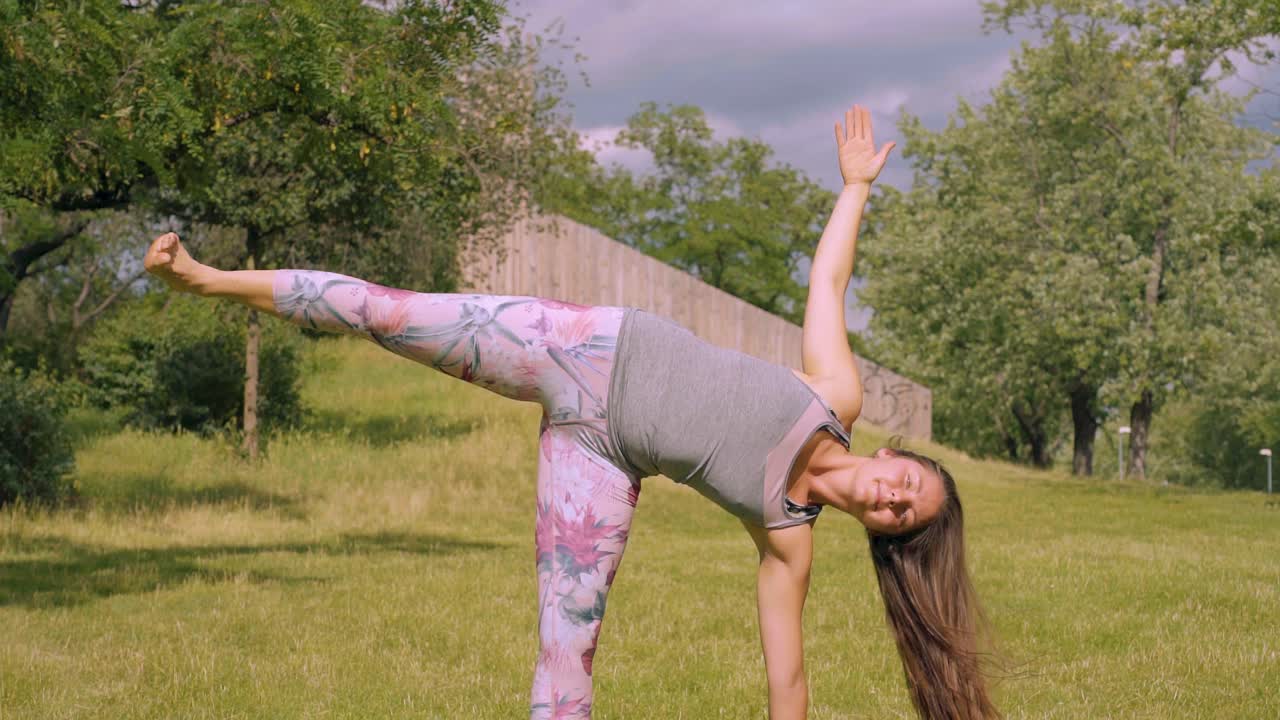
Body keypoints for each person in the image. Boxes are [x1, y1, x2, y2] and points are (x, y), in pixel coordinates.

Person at [144, 103, 997, 720]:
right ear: (898, 458)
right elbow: (828, 283)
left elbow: (789, 687)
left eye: (903, 513)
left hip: (601, 460)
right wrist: (854, 190)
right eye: (909, 481)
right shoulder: (833, 399)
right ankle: (206, 279)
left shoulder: (789, 539)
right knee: (390, 312)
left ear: (889, 538)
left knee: (567, 653)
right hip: (584, 346)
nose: (892, 495)